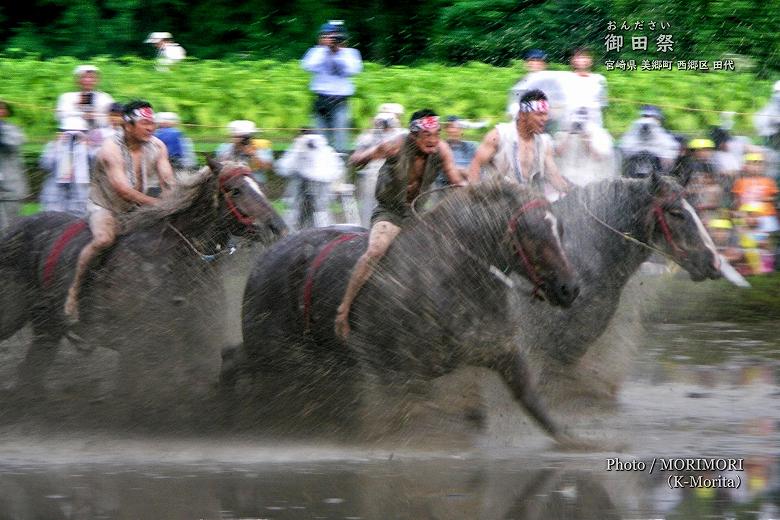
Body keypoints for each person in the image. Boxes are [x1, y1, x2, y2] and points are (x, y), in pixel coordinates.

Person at [334, 109, 467, 338]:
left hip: (417, 214)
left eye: (437, 134)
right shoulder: (394, 146)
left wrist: (476, 190)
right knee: (375, 251)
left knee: (447, 254)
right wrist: (365, 156)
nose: (433, 140)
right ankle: (344, 309)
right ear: (414, 135)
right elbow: (356, 161)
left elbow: (455, 181)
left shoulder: (442, 150)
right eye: (427, 136)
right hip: (389, 212)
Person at [64, 101, 175, 323]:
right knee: (104, 240)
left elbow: (168, 180)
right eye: (144, 123)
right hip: (106, 206)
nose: (150, 128)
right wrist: (159, 205)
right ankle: (73, 293)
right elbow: (124, 191)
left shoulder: (158, 146)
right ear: (127, 125)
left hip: (138, 208)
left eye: (152, 123)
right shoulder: (110, 149)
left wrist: (175, 201)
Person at [468, 90, 571, 200]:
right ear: (522, 115)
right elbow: (475, 166)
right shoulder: (498, 136)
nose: (544, 119)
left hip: (528, 204)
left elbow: (553, 175)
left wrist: (573, 192)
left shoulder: (544, 143)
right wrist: (476, 198)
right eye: (539, 114)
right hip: (497, 201)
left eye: (546, 114)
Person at [302, 21, 363, 153]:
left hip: (340, 101)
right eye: (328, 36)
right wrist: (324, 50)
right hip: (321, 100)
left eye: (336, 37)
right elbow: (308, 66)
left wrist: (337, 53)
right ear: (321, 37)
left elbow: (352, 70)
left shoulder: (351, 53)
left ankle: (342, 166)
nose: (333, 40)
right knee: (319, 140)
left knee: (341, 140)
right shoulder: (315, 52)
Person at [276, 129, 345, 230]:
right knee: (295, 214)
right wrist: (298, 151)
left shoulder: (325, 150)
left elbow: (334, 170)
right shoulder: (298, 148)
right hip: (300, 187)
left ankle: (323, 235)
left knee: (321, 214)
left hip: (321, 187)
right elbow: (284, 168)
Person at [351, 105, 407, 226]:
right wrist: (375, 150)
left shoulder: (403, 136)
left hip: (397, 180)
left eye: (394, 117)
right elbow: (355, 160)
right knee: (368, 211)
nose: (388, 122)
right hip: (371, 179)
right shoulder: (368, 137)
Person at [39, 117, 93, 217]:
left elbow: (95, 164)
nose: (73, 136)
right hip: (55, 194)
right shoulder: (53, 146)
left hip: (79, 195)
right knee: (52, 221)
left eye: (78, 132)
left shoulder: (87, 148)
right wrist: (57, 146)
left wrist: (87, 146)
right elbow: (45, 165)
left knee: (76, 225)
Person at [553, 106, 615, 186]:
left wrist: (587, 140)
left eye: (583, 118)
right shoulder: (563, 133)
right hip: (566, 179)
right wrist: (569, 133)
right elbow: (558, 153)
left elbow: (599, 158)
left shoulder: (598, 134)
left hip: (588, 180)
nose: (579, 122)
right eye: (577, 116)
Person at [619, 105, 679, 176]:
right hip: (636, 160)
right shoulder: (638, 126)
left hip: (652, 161)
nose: (648, 119)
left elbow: (669, 146)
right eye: (646, 116)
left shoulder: (655, 130)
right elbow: (625, 144)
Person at [55, 65, 114, 130]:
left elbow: (114, 117)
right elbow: (60, 117)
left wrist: (95, 116)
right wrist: (80, 111)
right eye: (84, 77)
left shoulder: (105, 98)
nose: (88, 80)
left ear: (97, 80)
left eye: (91, 77)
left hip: (99, 134)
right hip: (71, 132)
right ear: (77, 80)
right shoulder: (67, 97)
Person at [216, 120, 273, 188]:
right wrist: (234, 148)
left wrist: (253, 154)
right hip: (232, 184)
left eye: (246, 137)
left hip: (257, 183)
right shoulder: (224, 148)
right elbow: (219, 167)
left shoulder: (261, 145)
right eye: (239, 136)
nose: (244, 140)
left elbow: (267, 167)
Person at [0, 100, 28, 226]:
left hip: (10, 186)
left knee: (10, 226)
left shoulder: (12, 130)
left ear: (5, 112)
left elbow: (14, 143)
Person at [566, 47, 608, 127]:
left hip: (594, 123)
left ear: (590, 60)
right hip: (571, 122)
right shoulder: (567, 78)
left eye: (585, 57)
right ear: (573, 60)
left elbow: (603, 104)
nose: (582, 60)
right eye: (579, 57)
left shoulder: (599, 79)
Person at [507, 49, 548, 118]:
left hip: (545, 119)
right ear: (525, 64)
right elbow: (513, 105)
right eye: (531, 60)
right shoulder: (520, 82)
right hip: (522, 120)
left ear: (544, 64)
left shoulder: (550, 81)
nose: (534, 63)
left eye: (538, 61)